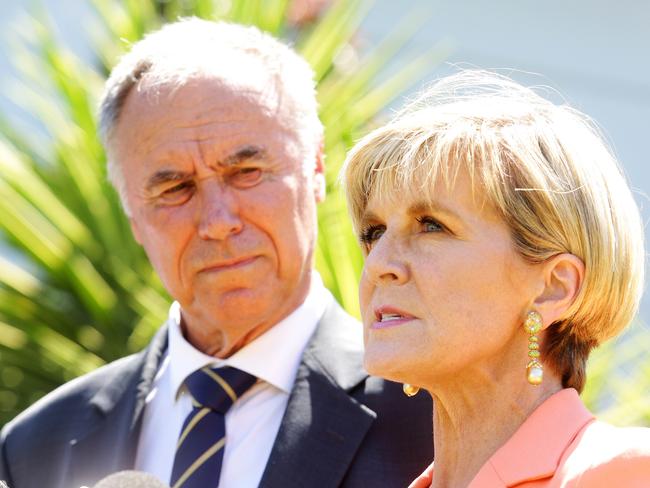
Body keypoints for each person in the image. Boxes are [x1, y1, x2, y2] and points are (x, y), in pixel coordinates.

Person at [0, 18, 433, 488]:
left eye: (246, 171)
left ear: (314, 169)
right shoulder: (34, 447)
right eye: (175, 188)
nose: (218, 221)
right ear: (133, 218)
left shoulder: (430, 416)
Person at [342, 70, 650, 487]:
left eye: (431, 225)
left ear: (553, 286)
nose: (379, 263)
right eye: (374, 232)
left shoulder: (623, 472)